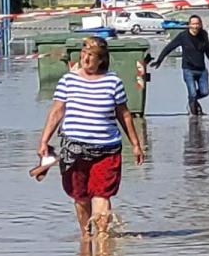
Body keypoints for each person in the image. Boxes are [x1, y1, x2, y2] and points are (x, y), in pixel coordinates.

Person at [37, 36, 145, 240]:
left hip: (107, 149)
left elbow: (124, 114)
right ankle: (86, 237)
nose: (86, 60)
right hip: (74, 149)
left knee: (102, 194)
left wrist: (136, 145)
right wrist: (44, 141)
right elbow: (57, 111)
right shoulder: (68, 80)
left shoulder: (113, 82)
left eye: (91, 56)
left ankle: (103, 240)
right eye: (84, 54)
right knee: (80, 196)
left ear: (101, 60)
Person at [151, 15, 209, 115]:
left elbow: (208, 50)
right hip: (188, 69)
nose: (195, 26)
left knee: (205, 92)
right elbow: (169, 47)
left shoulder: (203, 34)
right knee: (193, 93)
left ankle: (192, 100)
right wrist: (159, 60)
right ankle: (194, 115)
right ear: (189, 25)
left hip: (201, 69)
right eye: (193, 24)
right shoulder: (183, 36)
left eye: (197, 24)